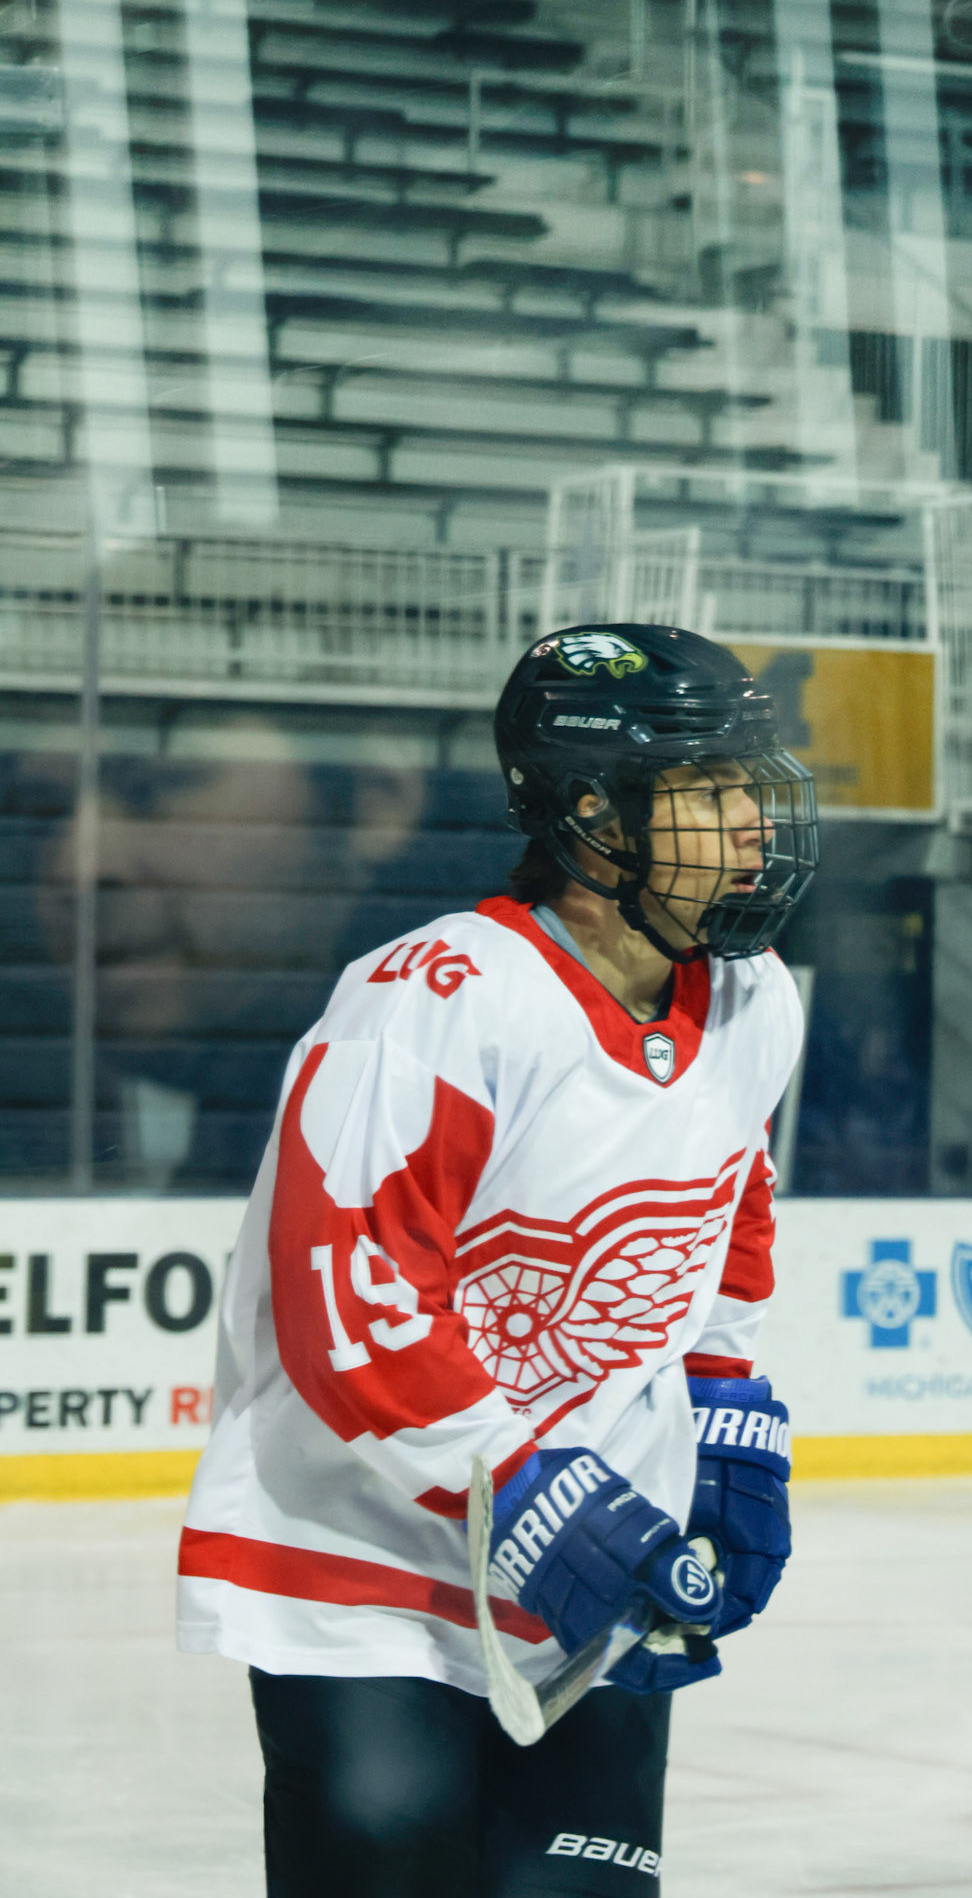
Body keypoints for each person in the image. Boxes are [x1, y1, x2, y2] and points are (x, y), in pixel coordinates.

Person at [176, 623, 819, 1897]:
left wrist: (725, 1404)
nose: (753, 822)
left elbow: (724, 1220)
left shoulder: (756, 997)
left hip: (597, 1559)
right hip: (369, 1569)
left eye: (752, 783)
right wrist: (516, 1483)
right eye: (709, 790)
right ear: (594, 813)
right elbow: (347, 1301)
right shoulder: (439, 1000)